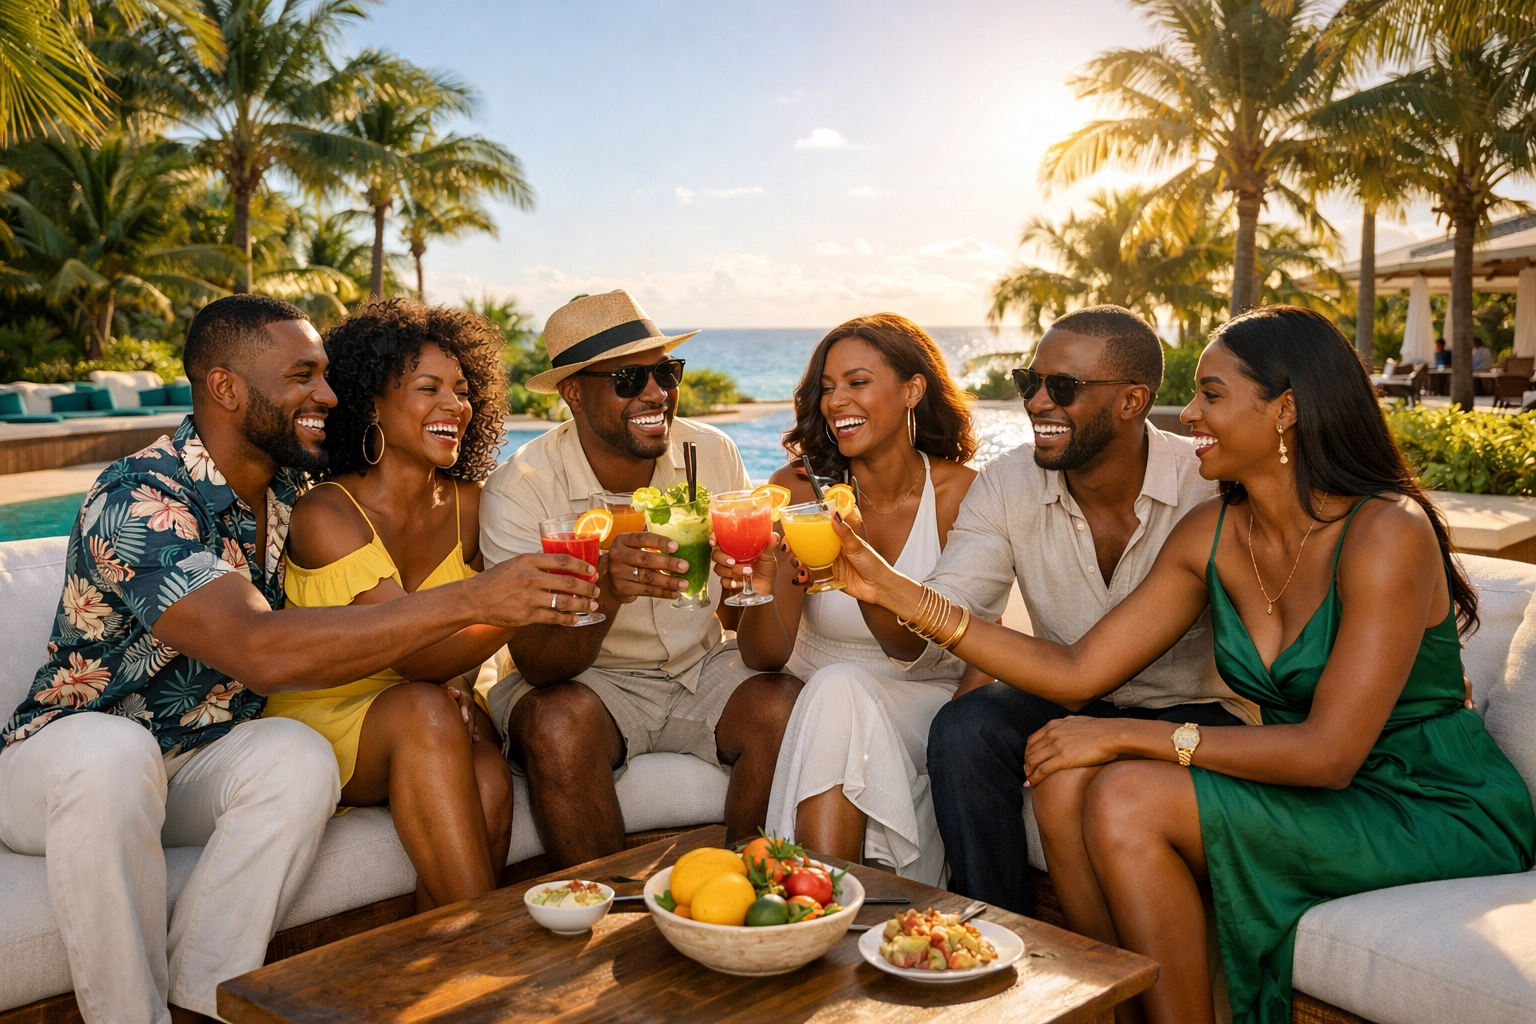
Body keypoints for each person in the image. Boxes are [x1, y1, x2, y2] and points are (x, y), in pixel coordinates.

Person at [831, 305, 1536, 1024]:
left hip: (1423, 799)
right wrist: (891, 590)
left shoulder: (1387, 531)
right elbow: (1079, 670)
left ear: (1286, 410)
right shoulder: (1217, 530)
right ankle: (1106, 1011)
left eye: (1212, 394)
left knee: (1123, 793)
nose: (1190, 412)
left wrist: (1121, 735)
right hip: (1323, 785)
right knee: (1067, 774)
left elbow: (1328, 753)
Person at [0, 295, 599, 1024]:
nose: (328, 394)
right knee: (113, 752)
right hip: (63, 764)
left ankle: (207, 1002)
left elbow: (368, 630)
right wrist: (480, 598)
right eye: (304, 376)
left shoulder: (288, 495)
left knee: (297, 755)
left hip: (197, 759)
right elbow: (259, 650)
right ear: (226, 387)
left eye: (327, 376)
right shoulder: (139, 496)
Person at [849, 305, 1253, 914]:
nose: (1036, 402)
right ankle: (995, 931)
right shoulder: (1008, 484)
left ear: (1132, 401)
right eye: (1027, 382)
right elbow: (945, 616)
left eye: (1061, 387)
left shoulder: (1209, 486)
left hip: (1201, 708)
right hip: (1068, 691)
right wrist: (872, 582)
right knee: (963, 731)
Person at [481, 290, 802, 868]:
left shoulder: (712, 452)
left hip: (700, 666)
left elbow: (741, 622)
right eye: (629, 378)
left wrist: (752, 580)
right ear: (573, 393)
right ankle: (604, 923)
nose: (656, 393)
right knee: (553, 722)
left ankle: (741, 896)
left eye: (665, 371)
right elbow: (537, 665)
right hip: (590, 683)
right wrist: (606, 586)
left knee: (784, 703)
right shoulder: (522, 487)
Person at [263, 299, 519, 913]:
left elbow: (445, 654)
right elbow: (413, 655)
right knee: (425, 707)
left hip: (430, 701)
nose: (454, 406)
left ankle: (440, 975)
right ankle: (497, 957)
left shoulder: (474, 506)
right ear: (371, 404)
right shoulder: (326, 512)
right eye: (429, 388)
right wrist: (516, 607)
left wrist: (459, 673)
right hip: (330, 714)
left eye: (462, 390)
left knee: (488, 776)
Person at [713, 314, 978, 885]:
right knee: (835, 689)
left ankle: (808, 903)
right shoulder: (796, 491)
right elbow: (765, 659)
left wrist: (855, 569)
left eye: (857, 383)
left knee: (841, 689)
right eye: (827, 388)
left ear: (913, 389)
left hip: (923, 698)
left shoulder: (961, 493)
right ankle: (831, 905)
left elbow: (919, 647)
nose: (837, 402)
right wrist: (760, 588)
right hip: (814, 697)